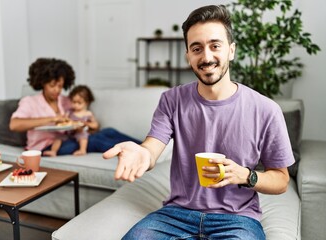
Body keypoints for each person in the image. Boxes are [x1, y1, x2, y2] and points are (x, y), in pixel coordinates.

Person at [103, 5, 294, 240]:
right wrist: (143, 154)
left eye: (215, 46)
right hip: (177, 215)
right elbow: (153, 147)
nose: (206, 57)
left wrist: (246, 175)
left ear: (231, 50)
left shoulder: (266, 109)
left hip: (238, 219)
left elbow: (282, 180)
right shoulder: (172, 100)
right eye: (196, 48)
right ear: (188, 56)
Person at [10, 57, 141, 156]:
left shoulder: (66, 100)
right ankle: (138, 152)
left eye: (60, 86)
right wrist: (52, 119)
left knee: (108, 131)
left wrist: (85, 125)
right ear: (42, 83)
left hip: (69, 138)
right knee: (94, 140)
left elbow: (77, 117)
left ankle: (146, 146)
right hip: (46, 147)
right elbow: (14, 125)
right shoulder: (30, 101)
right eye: (52, 86)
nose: (57, 90)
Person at [43, 85, 96, 156]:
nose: (76, 105)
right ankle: (53, 151)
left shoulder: (87, 113)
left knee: (83, 135)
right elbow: (65, 120)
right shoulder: (70, 112)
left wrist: (85, 123)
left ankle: (82, 150)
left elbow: (95, 125)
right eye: (74, 102)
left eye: (79, 103)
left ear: (87, 102)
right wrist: (62, 119)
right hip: (69, 133)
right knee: (59, 137)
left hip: (79, 132)